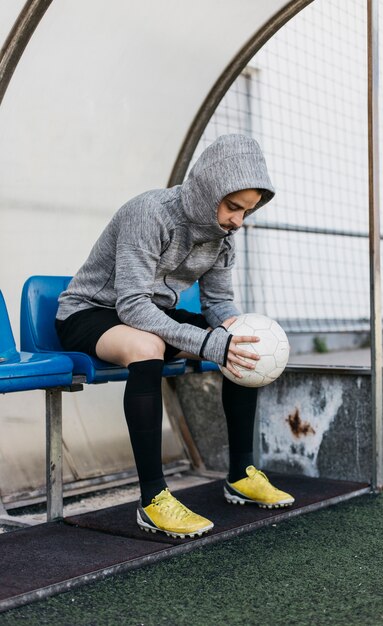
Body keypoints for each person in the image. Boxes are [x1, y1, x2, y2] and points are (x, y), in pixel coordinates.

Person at [55, 134, 294, 539]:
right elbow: (131, 305)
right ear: (208, 191)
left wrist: (230, 331)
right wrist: (205, 343)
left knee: (244, 336)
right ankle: (153, 499)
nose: (238, 220)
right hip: (90, 312)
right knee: (147, 346)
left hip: (149, 311)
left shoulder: (223, 237)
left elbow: (219, 303)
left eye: (246, 212)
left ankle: (240, 475)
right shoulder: (151, 213)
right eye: (233, 207)